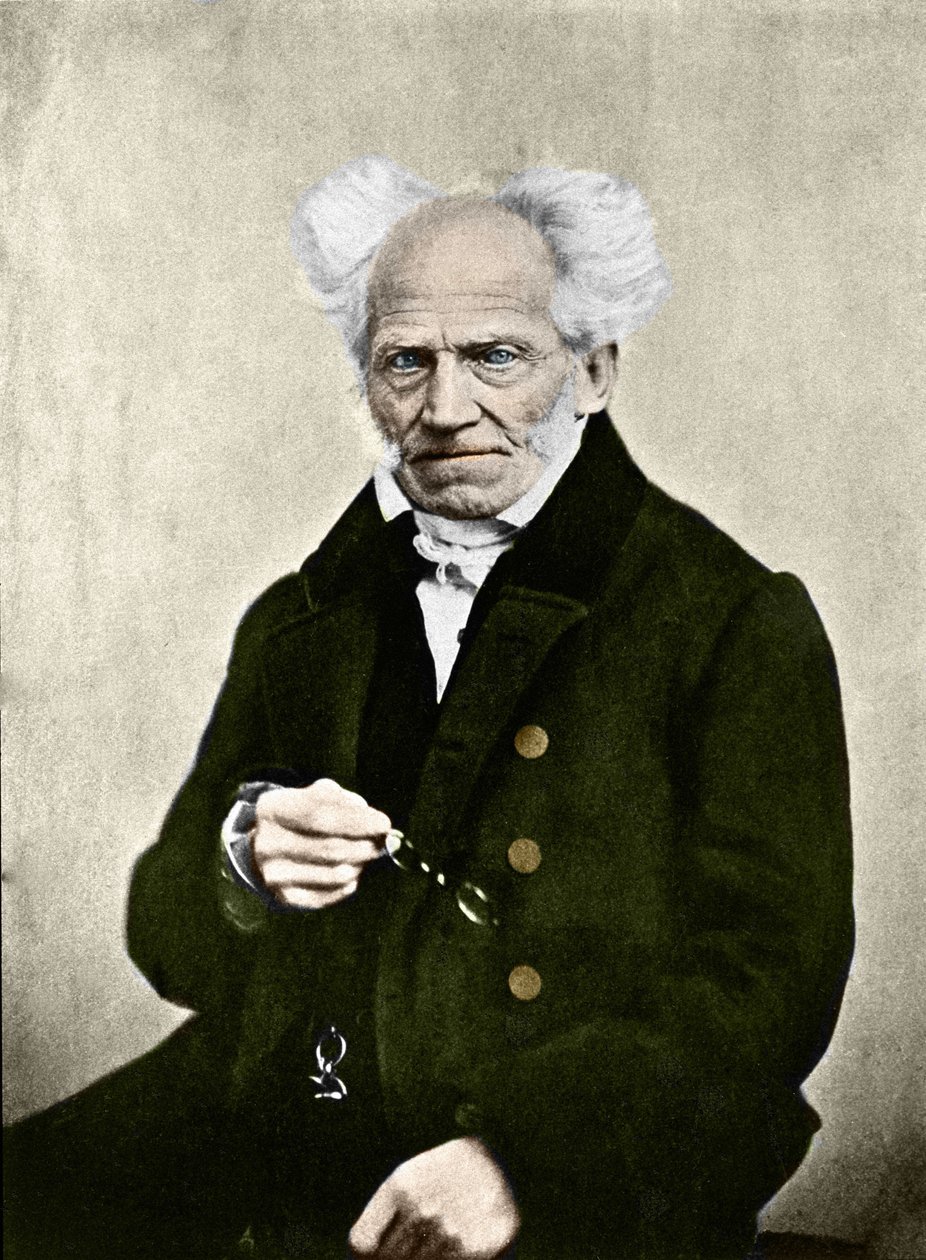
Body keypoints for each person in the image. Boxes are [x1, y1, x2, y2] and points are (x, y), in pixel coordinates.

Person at [5, 157, 854, 1260]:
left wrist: (519, 1159)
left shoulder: (730, 619)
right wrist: (242, 864)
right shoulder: (300, 619)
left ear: (593, 370)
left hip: (577, 1168)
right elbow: (165, 936)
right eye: (406, 362)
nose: (446, 411)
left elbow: (769, 987)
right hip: (292, 1136)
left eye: (496, 356)